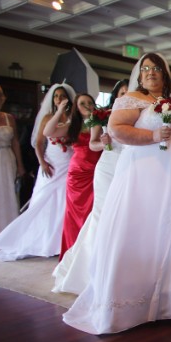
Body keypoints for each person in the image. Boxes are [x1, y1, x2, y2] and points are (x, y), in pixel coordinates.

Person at [62, 53, 171, 334]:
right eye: (146, 69)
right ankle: (133, 303)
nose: (151, 73)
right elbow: (117, 130)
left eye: (156, 69)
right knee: (142, 230)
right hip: (144, 173)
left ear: (165, 75)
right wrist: (153, 137)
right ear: (139, 75)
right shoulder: (131, 98)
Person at [52, 79, 128, 293]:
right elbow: (94, 143)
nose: (125, 95)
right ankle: (91, 266)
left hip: (127, 165)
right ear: (115, 95)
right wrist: (103, 142)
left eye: (128, 91)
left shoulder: (136, 112)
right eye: (121, 92)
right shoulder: (102, 116)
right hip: (106, 164)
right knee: (100, 214)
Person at [0, 84, 75, 260]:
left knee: (66, 200)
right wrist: (42, 162)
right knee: (44, 199)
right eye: (56, 96)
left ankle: (61, 241)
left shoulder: (74, 118)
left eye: (62, 96)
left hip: (69, 162)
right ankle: (42, 239)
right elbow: (37, 143)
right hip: (52, 161)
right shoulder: (48, 118)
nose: (59, 99)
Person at [43, 93, 101, 259]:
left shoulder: (100, 121)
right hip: (77, 172)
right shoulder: (72, 125)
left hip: (97, 169)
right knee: (75, 212)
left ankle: (90, 252)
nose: (87, 105)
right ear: (77, 107)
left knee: (93, 210)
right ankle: (72, 253)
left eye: (90, 102)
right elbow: (48, 132)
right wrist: (60, 109)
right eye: (82, 103)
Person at [0, 83, 25, 247]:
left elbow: (15, 142)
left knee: (7, 196)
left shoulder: (9, 118)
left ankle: (7, 239)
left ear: (3, 98)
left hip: (6, 158)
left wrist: (20, 164)